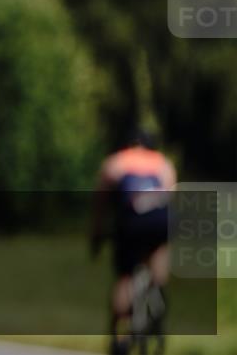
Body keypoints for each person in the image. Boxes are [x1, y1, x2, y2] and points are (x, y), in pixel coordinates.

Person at [90, 127, 176, 355]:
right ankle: (158, 294)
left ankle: (120, 335)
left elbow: (100, 203)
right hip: (160, 220)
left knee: (125, 277)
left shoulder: (116, 162)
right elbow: (170, 196)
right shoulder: (163, 163)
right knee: (158, 256)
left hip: (132, 219)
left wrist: (97, 235)